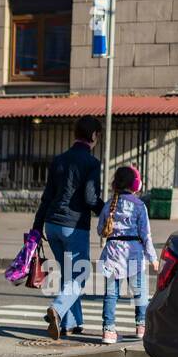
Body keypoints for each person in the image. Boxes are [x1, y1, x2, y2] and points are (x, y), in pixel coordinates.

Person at [36, 116, 104, 341]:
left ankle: (70, 323)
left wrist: (37, 228)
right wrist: (107, 212)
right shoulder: (91, 163)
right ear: (94, 136)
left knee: (68, 275)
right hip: (74, 226)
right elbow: (91, 198)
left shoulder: (59, 159)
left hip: (52, 224)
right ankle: (57, 309)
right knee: (80, 276)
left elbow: (47, 196)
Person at [97, 165, 158, 344]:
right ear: (135, 185)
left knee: (110, 294)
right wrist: (153, 258)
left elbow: (101, 229)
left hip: (112, 253)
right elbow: (146, 234)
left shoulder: (109, 204)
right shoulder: (140, 206)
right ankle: (141, 327)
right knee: (140, 292)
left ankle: (108, 331)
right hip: (134, 253)